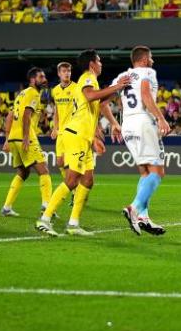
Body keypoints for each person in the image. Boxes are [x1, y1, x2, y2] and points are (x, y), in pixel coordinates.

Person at [35, 49, 129, 236]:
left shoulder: (91, 81)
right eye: (99, 60)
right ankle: (44, 219)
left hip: (83, 136)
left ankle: (73, 223)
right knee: (72, 180)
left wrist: (114, 123)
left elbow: (100, 103)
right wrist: (116, 87)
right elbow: (89, 96)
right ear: (92, 64)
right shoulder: (87, 77)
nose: (101, 64)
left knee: (88, 179)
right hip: (76, 134)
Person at [105, 46, 171, 236]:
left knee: (145, 172)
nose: (153, 61)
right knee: (158, 172)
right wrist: (160, 118)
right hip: (143, 121)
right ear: (143, 60)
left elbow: (102, 102)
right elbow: (145, 94)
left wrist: (113, 124)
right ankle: (133, 208)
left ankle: (144, 217)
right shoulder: (148, 72)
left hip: (127, 124)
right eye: (151, 57)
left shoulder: (121, 77)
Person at [0, 68, 54, 218]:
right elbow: (26, 115)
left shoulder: (21, 94)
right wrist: (25, 137)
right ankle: (47, 206)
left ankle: (7, 207)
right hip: (26, 137)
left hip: (13, 138)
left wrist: (7, 138)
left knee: (23, 172)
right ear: (32, 80)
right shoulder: (33, 93)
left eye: (44, 76)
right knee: (43, 170)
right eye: (41, 77)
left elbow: (10, 116)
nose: (44, 79)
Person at [50, 62, 81, 182]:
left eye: (69, 71)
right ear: (59, 73)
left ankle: (73, 190)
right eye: (64, 71)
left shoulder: (77, 88)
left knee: (70, 163)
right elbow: (56, 110)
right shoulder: (55, 90)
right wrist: (55, 128)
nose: (67, 73)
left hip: (73, 130)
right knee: (59, 162)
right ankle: (71, 186)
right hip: (61, 131)